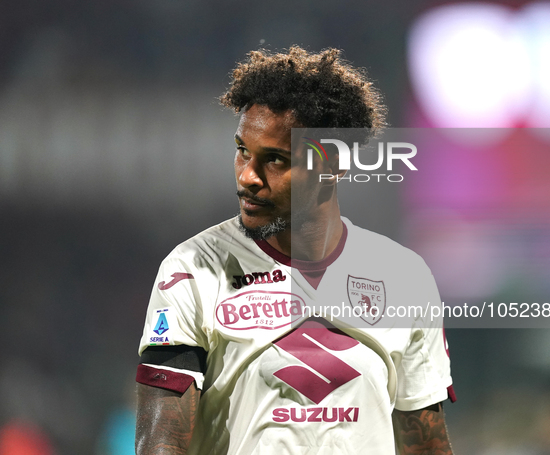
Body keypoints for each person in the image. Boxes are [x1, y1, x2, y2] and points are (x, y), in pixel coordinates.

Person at [135, 46, 455, 455]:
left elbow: (426, 446)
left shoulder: (404, 276)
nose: (248, 176)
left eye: (275, 160)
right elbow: (159, 445)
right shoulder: (193, 269)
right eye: (242, 151)